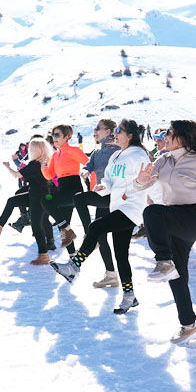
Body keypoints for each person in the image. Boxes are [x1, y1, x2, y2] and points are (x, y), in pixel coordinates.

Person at [134, 120, 196, 345]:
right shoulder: (162, 160)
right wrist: (140, 181)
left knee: (151, 213)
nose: (164, 136)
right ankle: (189, 326)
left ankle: (163, 261)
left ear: (183, 137)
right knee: (178, 277)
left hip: (191, 217)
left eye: (169, 133)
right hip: (171, 218)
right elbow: (142, 186)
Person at [51, 119, 151, 314]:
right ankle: (130, 296)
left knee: (96, 227)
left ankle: (74, 265)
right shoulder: (115, 155)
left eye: (119, 130)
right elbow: (109, 179)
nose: (116, 132)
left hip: (131, 208)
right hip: (117, 207)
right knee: (121, 254)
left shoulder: (139, 155)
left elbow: (148, 180)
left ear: (130, 135)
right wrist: (103, 186)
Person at [0, 138, 55, 264]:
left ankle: (43, 255)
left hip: (37, 197)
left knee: (37, 226)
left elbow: (17, 175)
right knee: (12, 201)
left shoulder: (35, 164)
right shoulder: (45, 161)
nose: (30, 151)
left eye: (31, 149)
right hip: (37, 194)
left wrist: (7, 167)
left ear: (37, 150)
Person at [73, 119, 121, 287]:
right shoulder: (97, 151)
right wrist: (85, 171)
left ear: (108, 132)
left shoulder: (118, 150)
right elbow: (88, 165)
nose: (94, 131)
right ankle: (111, 275)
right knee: (102, 236)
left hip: (113, 197)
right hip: (103, 195)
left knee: (79, 198)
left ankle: (88, 234)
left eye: (97, 128)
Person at [41, 125, 89, 254]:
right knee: (64, 228)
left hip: (74, 190)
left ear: (67, 136)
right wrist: (43, 168)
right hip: (62, 189)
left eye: (57, 135)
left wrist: (92, 183)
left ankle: (68, 230)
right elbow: (49, 175)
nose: (54, 138)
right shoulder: (55, 155)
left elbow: (88, 164)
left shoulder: (73, 150)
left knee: (45, 201)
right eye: (53, 135)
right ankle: (73, 257)